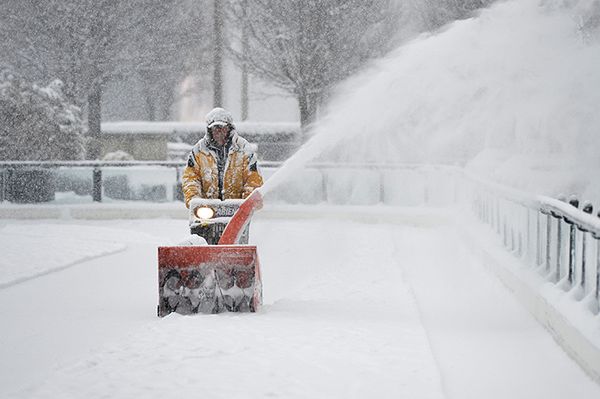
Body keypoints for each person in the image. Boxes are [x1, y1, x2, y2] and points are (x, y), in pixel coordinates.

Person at [182, 107, 263, 208]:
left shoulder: (243, 149)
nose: (219, 131)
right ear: (209, 130)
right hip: (206, 209)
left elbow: (253, 179)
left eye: (222, 127)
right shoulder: (199, 150)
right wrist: (195, 201)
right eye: (215, 128)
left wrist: (246, 204)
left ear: (229, 128)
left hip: (237, 209)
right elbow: (191, 179)